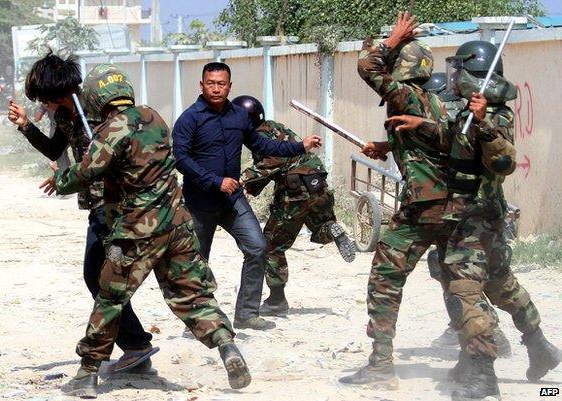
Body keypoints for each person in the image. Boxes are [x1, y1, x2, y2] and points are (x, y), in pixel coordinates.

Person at [46, 63, 251, 398]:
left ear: (98, 98)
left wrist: (59, 178)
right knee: (192, 294)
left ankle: (87, 373)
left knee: (111, 298)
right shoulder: (154, 117)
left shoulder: (111, 130)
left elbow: (84, 174)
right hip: (178, 224)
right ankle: (226, 346)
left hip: (138, 229)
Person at [338, 14, 498, 400]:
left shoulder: (407, 95)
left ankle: (380, 366)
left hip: (424, 210)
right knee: (463, 287)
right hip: (458, 210)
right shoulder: (440, 102)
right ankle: (480, 370)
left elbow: (366, 67)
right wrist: (388, 146)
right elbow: (439, 143)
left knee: (384, 282)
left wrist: (390, 39)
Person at [7, 53, 154, 374]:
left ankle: (136, 345)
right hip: (98, 209)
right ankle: (135, 348)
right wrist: (25, 126)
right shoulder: (63, 115)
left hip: (120, 205)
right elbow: (54, 150)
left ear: (53, 94)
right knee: (101, 276)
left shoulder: (100, 109)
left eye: (42, 101)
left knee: (103, 276)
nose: (42, 106)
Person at [439, 40, 561, 397]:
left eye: (460, 70)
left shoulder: (496, 116)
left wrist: (483, 125)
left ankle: (482, 374)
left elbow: (504, 163)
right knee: (500, 285)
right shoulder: (467, 113)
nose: (455, 76)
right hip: (477, 215)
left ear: (475, 74)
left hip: (475, 217)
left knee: (464, 289)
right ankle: (540, 347)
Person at [172, 62, 322, 330]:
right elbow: (181, 159)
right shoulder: (189, 119)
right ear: (201, 85)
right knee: (197, 261)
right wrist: (215, 181)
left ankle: (247, 313)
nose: (216, 88)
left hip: (232, 201)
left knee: (257, 247)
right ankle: (197, 321)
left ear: (229, 86)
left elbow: (263, 145)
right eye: (210, 83)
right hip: (200, 203)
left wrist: (301, 145)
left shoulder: (239, 116)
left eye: (221, 84)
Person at [234, 95, 356, 317]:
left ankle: (277, 300)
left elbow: (271, 164)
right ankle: (331, 229)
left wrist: (241, 183)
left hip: (295, 191)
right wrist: (251, 189)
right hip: (318, 184)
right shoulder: (275, 126)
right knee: (320, 225)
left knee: (271, 245)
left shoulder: (259, 135)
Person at [422, 73, 511, 357]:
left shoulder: (486, 118)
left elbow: (502, 162)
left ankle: (488, 346)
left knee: (473, 280)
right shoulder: (461, 116)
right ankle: (472, 333)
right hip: (455, 209)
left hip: (476, 211)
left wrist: (482, 122)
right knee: (454, 271)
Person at [34, 103, 71, 171]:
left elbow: (37, 118)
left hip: (56, 133)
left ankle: (65, 174)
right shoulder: (66, 99)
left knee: (61, 157)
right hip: (71, 128)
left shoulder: (45, 102)